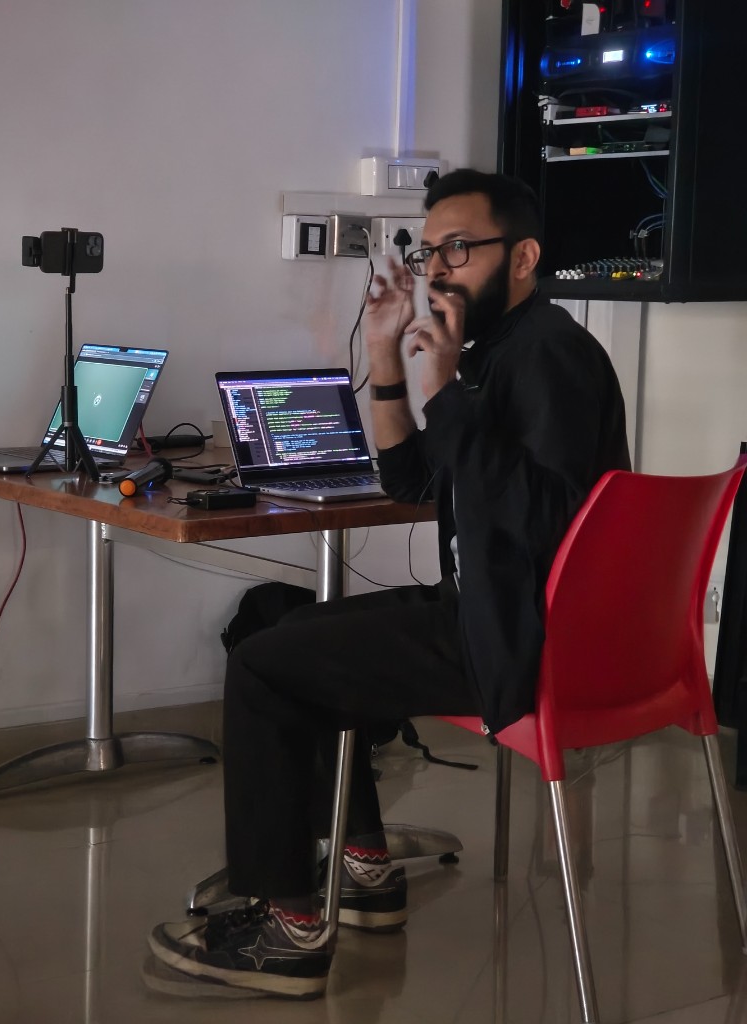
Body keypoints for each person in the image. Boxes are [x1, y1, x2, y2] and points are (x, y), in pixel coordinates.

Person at [146, 169, 631, 999]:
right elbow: (412, 481)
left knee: (264, 664)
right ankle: (362, 865)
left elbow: (542, 517)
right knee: (286, 630)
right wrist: (384, 361)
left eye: (458, 249)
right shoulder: (500, 351)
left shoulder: (549, 354)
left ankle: (288, 929)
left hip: (514, 635)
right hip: (501, 616)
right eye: (428, 248)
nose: (436, 269)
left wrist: (443, 389)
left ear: (523, 258)